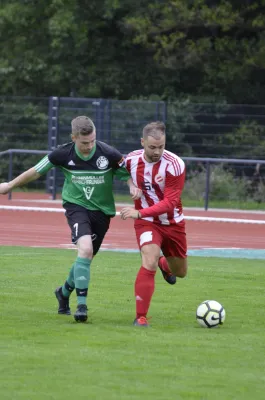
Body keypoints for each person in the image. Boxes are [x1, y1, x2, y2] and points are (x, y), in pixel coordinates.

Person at [0, 116, 141, 323]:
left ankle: (63, 293)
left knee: (85, 259)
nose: (89, 146)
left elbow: (126, 172)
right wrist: (9, 185)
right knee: (85, 250)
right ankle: (81, 306)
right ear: (73, 138)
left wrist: (130, 184)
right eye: (84, 142)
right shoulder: (62, 153)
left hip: (102, 212)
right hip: (76, 207)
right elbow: (36, 171)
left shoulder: (109, 154)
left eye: (92, 141)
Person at [120, 121, 187, 327]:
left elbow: (169, 203)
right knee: (148, 260)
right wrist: (131, 185)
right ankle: (140, 317)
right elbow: (118, 170)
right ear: (142, 142)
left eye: (161, 146)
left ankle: (164, 264)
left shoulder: (175, 164)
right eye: (152, 147)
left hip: (172, 222)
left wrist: (139, 212)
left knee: (181, 272)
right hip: (146, 223)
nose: (157, 151)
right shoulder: (130, 160)